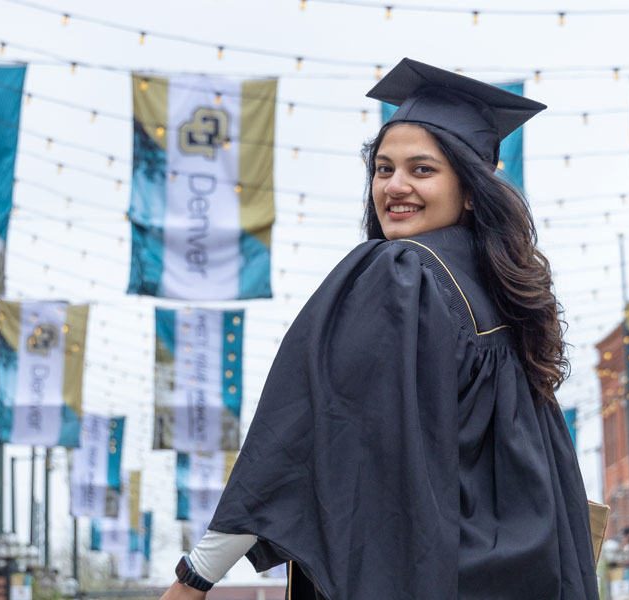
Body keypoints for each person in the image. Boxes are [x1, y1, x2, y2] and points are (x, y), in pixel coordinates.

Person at [160, 58, 601, 600]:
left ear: (468, 189)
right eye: (383, 168)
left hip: (421, 574)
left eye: (422, 170)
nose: (394, 186)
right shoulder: (505, 301)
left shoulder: (401, 274)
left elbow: (300, 433)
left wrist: (196, 576)